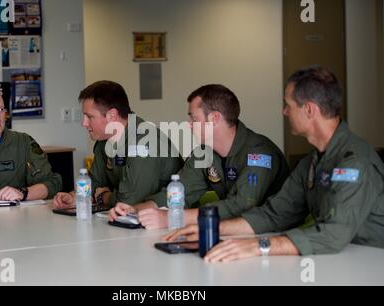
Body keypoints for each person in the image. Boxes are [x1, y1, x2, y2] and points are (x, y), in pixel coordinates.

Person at [164, 67, 384, 262]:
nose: (284, 111)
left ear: (309, 110)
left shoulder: (354, 162)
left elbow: (333, 233)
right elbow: (276, 214)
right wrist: (210, 228)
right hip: (340, 258)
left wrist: (260, 246)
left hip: (371, 262)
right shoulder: (312, 161)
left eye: (288, 105)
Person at [110, 84, 289, 229]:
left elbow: (242, 205)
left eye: (194, 119)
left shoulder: (259, 153)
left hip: (274, 236)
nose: (189, 125)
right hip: (233, 233)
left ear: (214, 118)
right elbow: (177, 193)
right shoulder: (204, 153)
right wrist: (134, 211)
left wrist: (172, 218)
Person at [53, 80, 183, 210]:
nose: (84, 123)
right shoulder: (104, 141)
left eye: (89, 117)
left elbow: (130, 201)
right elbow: (94, 182)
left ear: (112, 115)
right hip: (134, 221)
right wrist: (76, 197)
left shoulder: (145, 141)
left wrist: (104, 196)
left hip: (170, 219)